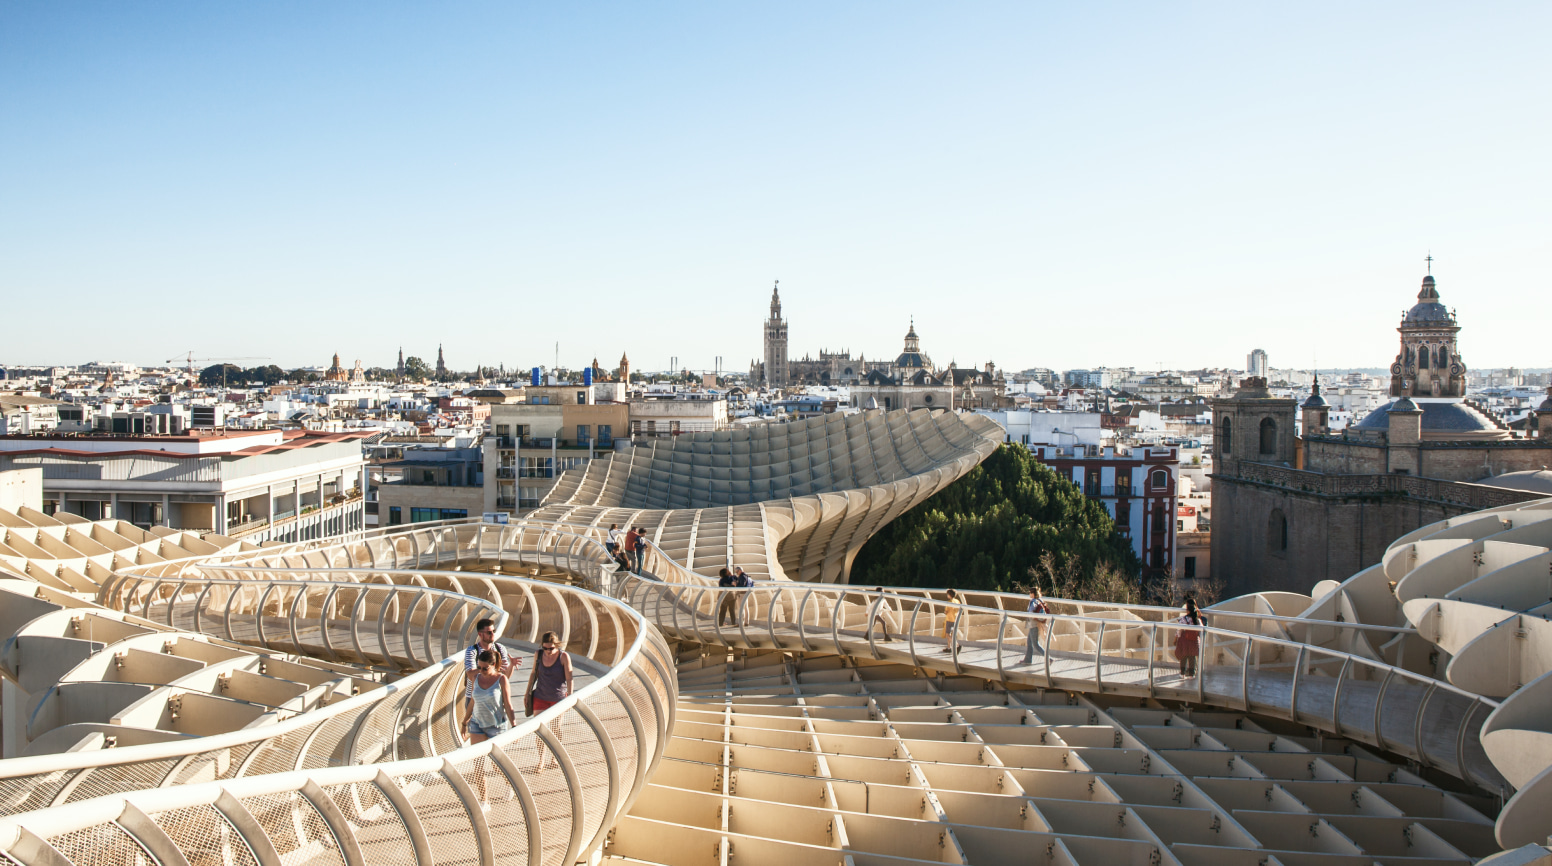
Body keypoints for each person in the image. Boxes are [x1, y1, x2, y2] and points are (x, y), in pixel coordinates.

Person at [461, 649, 518, 809]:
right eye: (479, 667)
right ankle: (484, 801)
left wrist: (514, 725)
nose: (481, 671)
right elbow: (473, 701)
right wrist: (465, 722)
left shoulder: (501, 680)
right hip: (478, 725)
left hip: (496, 726)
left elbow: (508, 704)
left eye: (485, 668)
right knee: (478, 764)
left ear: (494, 665)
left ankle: (508, 783)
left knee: (496, 764)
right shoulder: (476, 677)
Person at [527, 631, 573, 772]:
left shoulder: (563, 657)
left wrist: (570, 697)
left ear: (557, 646)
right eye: (545, 648)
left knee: (555, 729)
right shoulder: (538, 654)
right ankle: (541, 760)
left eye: (551, 648)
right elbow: (534, 673)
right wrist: (527, 692)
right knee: (540, 730)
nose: (547, 651)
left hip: (557, 699)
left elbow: (569, 678)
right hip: (540, 697)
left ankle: (555, 757)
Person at [465, 618, 519, 700]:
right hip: (476, 697)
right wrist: (491, 668)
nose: (492, 634)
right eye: (489, 632)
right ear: (480, 634)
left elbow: (506, 676)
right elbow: (471, 675)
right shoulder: (472, 651)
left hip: (495, 695)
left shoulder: (500, 649)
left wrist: (512, 665)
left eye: (494, 631)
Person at [1174, 598, 1208, 679]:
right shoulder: (1197, 620)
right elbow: (1201, 629)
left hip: (1185, 640)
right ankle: (1191, 674)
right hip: (1194, 641)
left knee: (1184, 656)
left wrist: (1175, 640)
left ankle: (1182, 673)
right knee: (1192, 657)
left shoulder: (1183, 619)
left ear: (1187, 610)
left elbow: (1179, 631)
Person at [1021, 586, 1049, 665]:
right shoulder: (1040, 600)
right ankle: (1027, 660)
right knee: (1029, 643)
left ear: (1033, 594)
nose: (1029, 594)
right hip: (1037, 624)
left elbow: (1031, 613)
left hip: (1033, 625)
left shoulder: (1032, 601)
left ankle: (1048, 658)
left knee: (1035, 644)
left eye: (1030, 593)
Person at [941, 588, 961, 654]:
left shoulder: (949, 602)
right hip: (955, 619)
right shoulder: (957, 601)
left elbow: (946, 611)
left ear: (949, 595)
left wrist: (945, 612)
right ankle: (949, 647)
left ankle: (957, 645)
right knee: (952, 634)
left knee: (947, 634)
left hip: (949, 619)